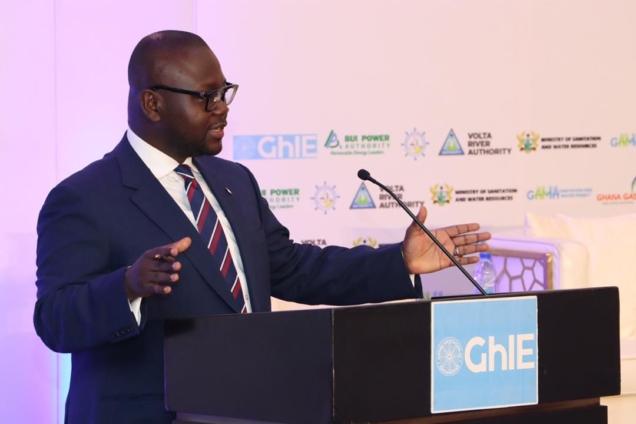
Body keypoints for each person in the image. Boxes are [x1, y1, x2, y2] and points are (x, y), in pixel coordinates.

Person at [33, 30, 490, 424]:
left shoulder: (233, 181)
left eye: (225, 92)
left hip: (250, 409)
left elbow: (294, 268)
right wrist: (128, 287)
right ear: (153, 103)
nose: (222, 109)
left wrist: (399, 262)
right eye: (207, 97)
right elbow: (54, 319)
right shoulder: (83, 198)